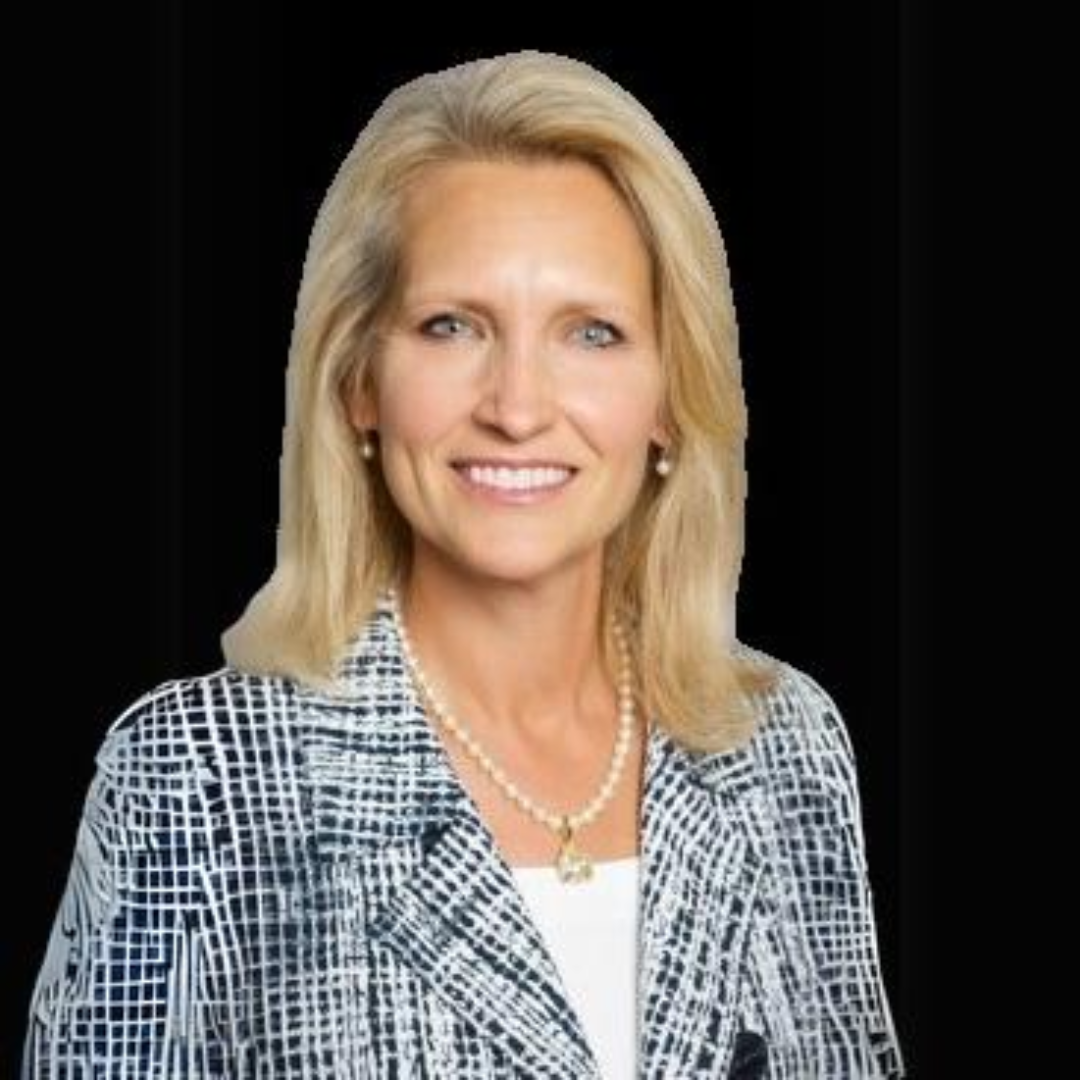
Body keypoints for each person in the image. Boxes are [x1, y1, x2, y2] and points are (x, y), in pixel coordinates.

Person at [22, 50, 905, 1079]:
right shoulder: (193, 779)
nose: (518, 408)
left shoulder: (785, 746)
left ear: (671, 396)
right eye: (452, 327)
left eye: (592, 332)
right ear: (358, 379)